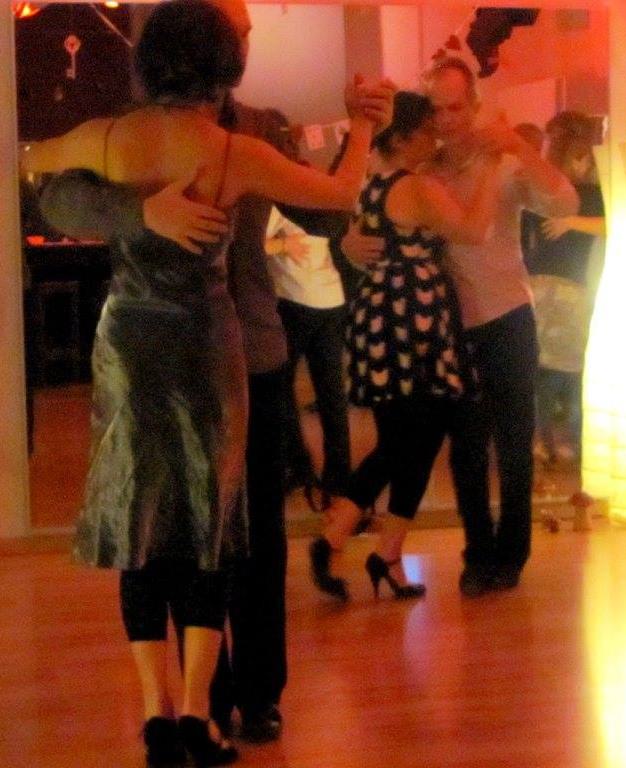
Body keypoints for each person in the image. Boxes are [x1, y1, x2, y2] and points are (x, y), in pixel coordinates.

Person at [22, 1, 385, 763]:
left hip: (186, 346)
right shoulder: (222, 146)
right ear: (220, 55)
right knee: (199, 529)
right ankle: (198, 710)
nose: (249, 42)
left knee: (198, 531)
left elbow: (36, 161)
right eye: (239, 33)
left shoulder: (192, 131)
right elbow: (54, 193)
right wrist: (138, 211)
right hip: (207, 349)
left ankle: (219, 705)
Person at [308, 91, 501, 601]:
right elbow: (474, 229)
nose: (434, 139)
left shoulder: (372, 182)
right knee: (407, 440)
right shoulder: (413, 187)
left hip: (384, 317)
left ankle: (386, 554)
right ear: (408, 136)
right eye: (427, 132)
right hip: (411, 321)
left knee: (414, 438)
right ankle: (335, 535)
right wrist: (492, 167)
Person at [422, 58, 579, 597]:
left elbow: (564, 200)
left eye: (455, 107)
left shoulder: (505, 162)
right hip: (452, 324)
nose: (446, 119)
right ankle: (477, 553)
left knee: (513, 442)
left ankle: (512, 553)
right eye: (437, 109)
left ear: (473, 106)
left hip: (509, 314)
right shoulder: (425, 171)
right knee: (466, 446)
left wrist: (518, 146)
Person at [262, 128, 352, 511]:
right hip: (330, 299)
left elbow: (255, 243)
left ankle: (299, 467)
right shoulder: (316, 189)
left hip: (298, 302)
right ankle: (337, 478)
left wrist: (282, 244)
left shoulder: (274, 195)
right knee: (331, 394)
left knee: (282, 389)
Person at [522, 110, 606, 466]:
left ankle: (543, 441)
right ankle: (569, 442)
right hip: (570, 285)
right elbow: (612, 222)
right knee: (570, 371)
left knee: (546, 371)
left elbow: (524, 239)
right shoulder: (590, 192)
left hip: (543, 284)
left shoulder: (545, 191)